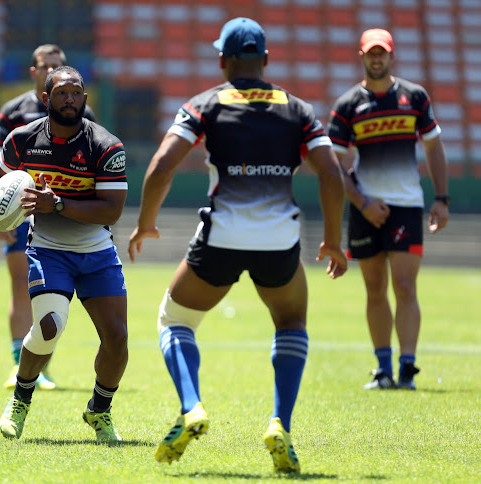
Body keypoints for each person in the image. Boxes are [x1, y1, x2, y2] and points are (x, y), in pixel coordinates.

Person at [128, 17, 347, 473]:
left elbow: (162, 165)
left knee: (175, 319)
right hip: (279, 240)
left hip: (222, 236)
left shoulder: (205, 104)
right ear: (265, 60)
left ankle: (192, 407)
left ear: (223, 61)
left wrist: (145, 223)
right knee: (290, 322)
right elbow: (330, 173)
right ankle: (280, 424)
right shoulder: (299, 109)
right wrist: (331, 240)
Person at [0, 66, 128, 442]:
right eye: (61, 93)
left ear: (85, 99)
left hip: (97, 250)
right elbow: (0, 179)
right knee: (49, 328)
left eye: (76, 92)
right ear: (45, 99)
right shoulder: (22, 140)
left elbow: (111, 210)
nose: (69, 99)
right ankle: (20, 402)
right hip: (49, 249)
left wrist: (58, 204)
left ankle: (99, 411)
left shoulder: (106, 145)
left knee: (117, 340)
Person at [327, 29, 450, 391]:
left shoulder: (414, 97)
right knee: (375, 287)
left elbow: (433, 148)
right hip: (365, 208)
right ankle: (383, 370)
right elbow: (333, 165)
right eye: (371, 53)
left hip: (406, 206)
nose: (376, 58)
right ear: (361, 56)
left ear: (392, 56)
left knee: (405, 284)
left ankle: (407, 369)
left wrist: (441, 199)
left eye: (382, 53)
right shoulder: (348, 104)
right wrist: (362, 202)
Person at [0, 44, 96, 391]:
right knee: (21, 285)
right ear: (34, 71)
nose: (52, 70)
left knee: (55, 292)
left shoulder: (82, 111)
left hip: (60, 212)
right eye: (46, 66)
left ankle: (43, 366)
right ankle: (20, 364)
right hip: (20, 210)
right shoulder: (12, 110)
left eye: (58, 66)